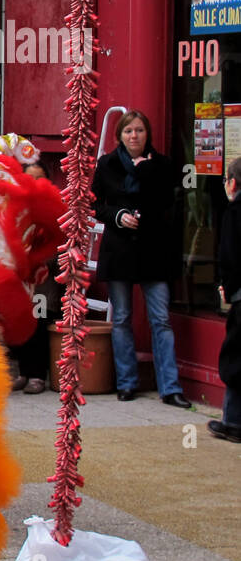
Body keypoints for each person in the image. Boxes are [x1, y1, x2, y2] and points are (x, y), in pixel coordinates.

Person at [92, 109, 189, 408]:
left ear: (147, 134)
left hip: (153, 250)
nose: (134, 136)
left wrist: (144, 172)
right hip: (119, 249)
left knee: (160, 318)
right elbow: (96, 204)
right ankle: (127, 383)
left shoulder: (162, 165)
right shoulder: (107, 164)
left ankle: (170, 388)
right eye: (128, 131)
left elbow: (166, 201)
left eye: (139, 131)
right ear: (120, 135)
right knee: (121, 318)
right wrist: (118, 216)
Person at [9, 162, 60, 395]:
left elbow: (57, 247)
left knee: (38, 324)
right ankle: (23, 372)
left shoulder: (53, 210)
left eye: (39, 179)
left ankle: (38, 375)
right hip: (18, 278)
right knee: (18, 324)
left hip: (42, 279)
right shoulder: (14, 208)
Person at [213, 156, 241, 442]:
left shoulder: (234, 212)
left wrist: (227, 287)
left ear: (232, 183)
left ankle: (233, 421)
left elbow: (230, 255)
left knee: (235, 358)